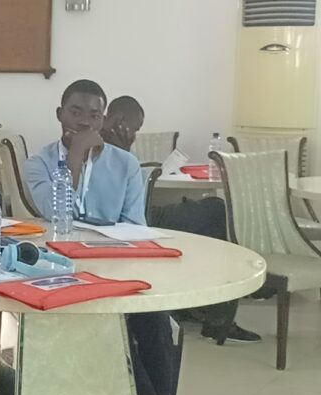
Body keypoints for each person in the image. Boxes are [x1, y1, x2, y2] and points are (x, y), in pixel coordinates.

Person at [24, 80, 178, 395]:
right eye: (75, 112)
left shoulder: (126, 164)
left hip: (114, 266)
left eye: (94, 115)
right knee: (109, 320)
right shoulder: (38, 163)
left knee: (155, 321)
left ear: (103, 119)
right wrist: (76, 156)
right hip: (60, 272)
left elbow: (135, 228)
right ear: (59, 114)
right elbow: (55, 213)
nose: (84, 122)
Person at [103, 96, 261, 344]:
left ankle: (204, 310)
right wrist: (122, 153)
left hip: (144, 212)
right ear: (121, 121)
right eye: (135, 128)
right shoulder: (99, 146)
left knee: (211, 218)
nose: (134, 135)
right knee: (216, 212)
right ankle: (217, 319)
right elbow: (115, 204)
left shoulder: (115, 145)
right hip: (137, 221)